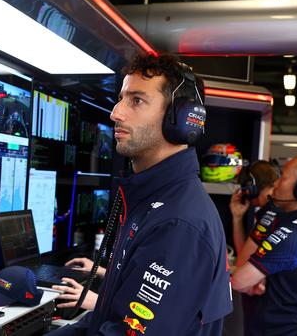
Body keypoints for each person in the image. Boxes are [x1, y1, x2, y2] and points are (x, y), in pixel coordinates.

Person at [46, 53, 232, 336]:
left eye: (137, 100)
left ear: (181, 119)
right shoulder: (151, 201)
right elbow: (107, 317)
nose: (116, 113)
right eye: (121, 98)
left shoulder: (179, 225)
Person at [231, 155, 297, 336]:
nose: (276, 184)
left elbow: (239, 278)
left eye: (283, 177)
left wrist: (254, 276)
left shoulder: (290, 230)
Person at [230, 160, 280, 256]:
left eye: (245, 188)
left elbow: (243, 260)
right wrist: (237, 218)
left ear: (251, 187)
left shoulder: (271, 215)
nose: (244, 193)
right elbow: (244, 255)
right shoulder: (270, 210)